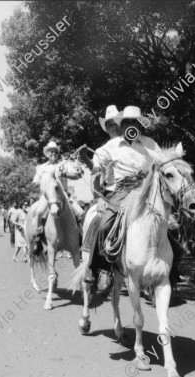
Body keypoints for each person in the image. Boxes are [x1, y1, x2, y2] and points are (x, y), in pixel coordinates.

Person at [77, 105, 162, 281]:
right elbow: (96, 169)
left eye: (135, 122)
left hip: (148, 191)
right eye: (126, 122)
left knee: (171, 225)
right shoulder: (110, 146)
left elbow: (164, 162)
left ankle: (171, 269)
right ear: (122, 125)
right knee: (104, 225)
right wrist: (85, 158)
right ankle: (103, 268)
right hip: (122, 191)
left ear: (140, 124)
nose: (130, 125)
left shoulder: (150, 143)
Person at [30, 141, 83, 254]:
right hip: (47, 197)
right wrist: (38, 182)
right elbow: (35, 182)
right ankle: (38, 240)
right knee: (39, 212)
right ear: (47, 154)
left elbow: (76, 176)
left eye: (55, 151)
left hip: (64, 195)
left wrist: (65, 174)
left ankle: (81, 238)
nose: (53, 153)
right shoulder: (42, 167)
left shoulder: (64, 164)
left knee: (80, 212)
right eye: (51, 151)